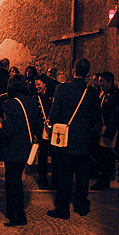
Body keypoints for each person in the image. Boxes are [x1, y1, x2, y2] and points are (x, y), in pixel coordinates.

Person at [47, 58, 100, 219]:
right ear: (87, 72)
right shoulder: (92, 92)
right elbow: (96, 118)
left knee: (65, 175)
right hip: (85, 141)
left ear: (74, 70)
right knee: (83, 176)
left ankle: (63, 209)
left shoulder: (62, 89)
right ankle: (81, 206)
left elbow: (55, 114)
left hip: (66, 140)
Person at [0, 74, 43, 227]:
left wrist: (0, 127)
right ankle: (15, 212)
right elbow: (37, 126)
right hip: (26, 148)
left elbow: (8, 130)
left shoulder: (9, 104)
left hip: (12, 150)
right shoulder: (32, 102)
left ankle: (17, 216)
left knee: (13, 183)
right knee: (17, 180)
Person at [90, 71, 119, 190]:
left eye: (102, 81)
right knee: (101, 156)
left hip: (108, 130)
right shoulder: (104, 94)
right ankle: (102, 179)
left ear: (110, 82)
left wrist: (109, 134)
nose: (99, 83)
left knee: (107, 158)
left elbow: (115, 116)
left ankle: (104, 180)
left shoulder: (114, 96)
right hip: (101, 129)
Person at [33, 74, 58, 190]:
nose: (37, 86)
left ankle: (55, 180)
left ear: (45, 84)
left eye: (39, 84)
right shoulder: (35, 98)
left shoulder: (53, 96)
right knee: (42, 156)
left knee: (54, 155)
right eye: (36, 84)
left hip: (52, 130)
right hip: (41, 130)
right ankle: (42, 179)